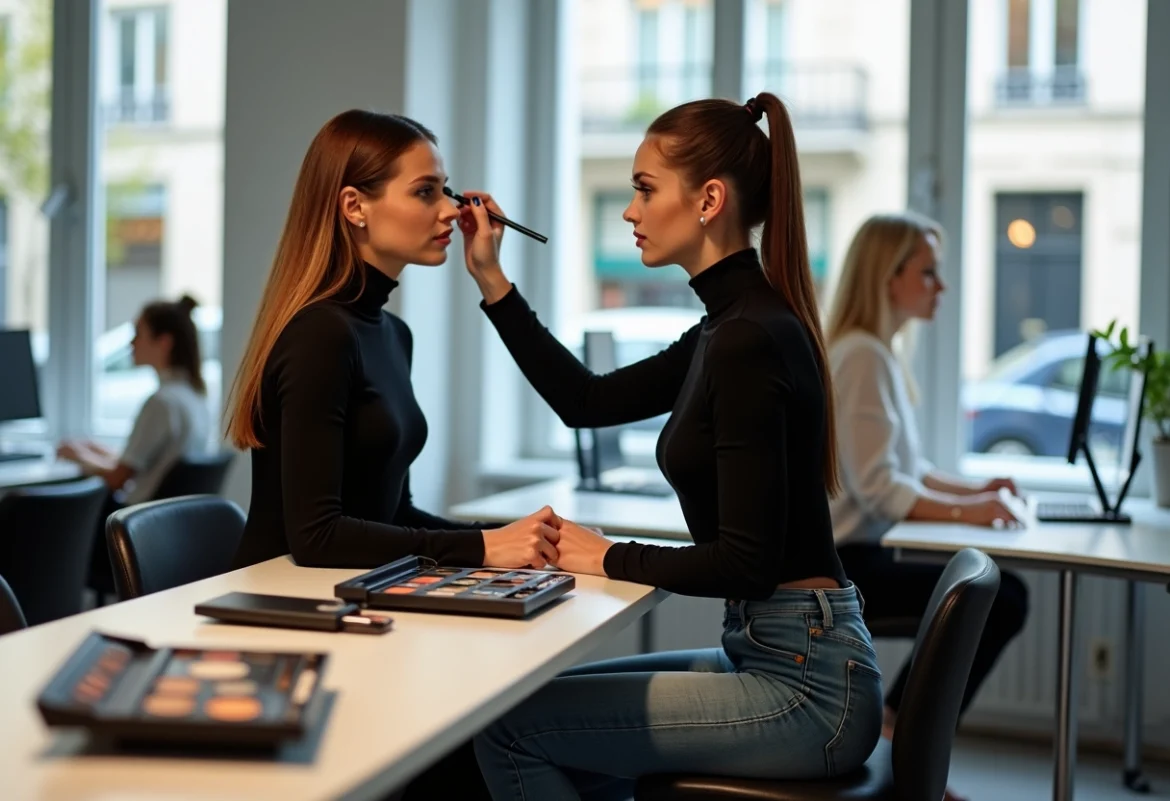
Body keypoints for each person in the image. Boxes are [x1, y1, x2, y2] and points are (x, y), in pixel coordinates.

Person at [460, 93, 882, 801]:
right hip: (778, 651)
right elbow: (586, 400)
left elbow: (747, 563)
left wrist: (606, 555)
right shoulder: (728, 324)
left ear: (709, 198)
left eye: (644, 189)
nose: (629, 210)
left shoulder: (748, 336)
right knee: (517, 708)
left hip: (806, 685)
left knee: (509, 730)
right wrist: (493, 281)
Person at [225, 109, 562, 573]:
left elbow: (393, 516)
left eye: (445, 190)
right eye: (426, 192)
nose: (449, 210)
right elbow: (317, 538)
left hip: (346, 595)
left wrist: (522, 541)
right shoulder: (321, 336)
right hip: (279, 608)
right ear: (354, 206)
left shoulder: (392, 334)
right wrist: (484, 547)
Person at [824, 212, 1030, 801]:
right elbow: (883, 490)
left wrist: (976, 491)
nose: (941, 286)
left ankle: (898, 734)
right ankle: (900, 735)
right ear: (889, 278)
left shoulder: (875, 353)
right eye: (929, 272)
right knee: (1003, 598)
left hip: (860, 555)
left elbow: (907, 472)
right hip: (847, 569)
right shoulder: (862, 356)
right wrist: (974, 513)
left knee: (1003, 595)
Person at [57, 295, 214, 595]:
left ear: (164, 342)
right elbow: (150, 465)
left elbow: (119, 478)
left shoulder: (161, 403)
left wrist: (77, 457)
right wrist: (95, 452)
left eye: (138, 334)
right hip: (172, 534)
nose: (131, 344)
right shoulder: (194, 398)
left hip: (131, 535)